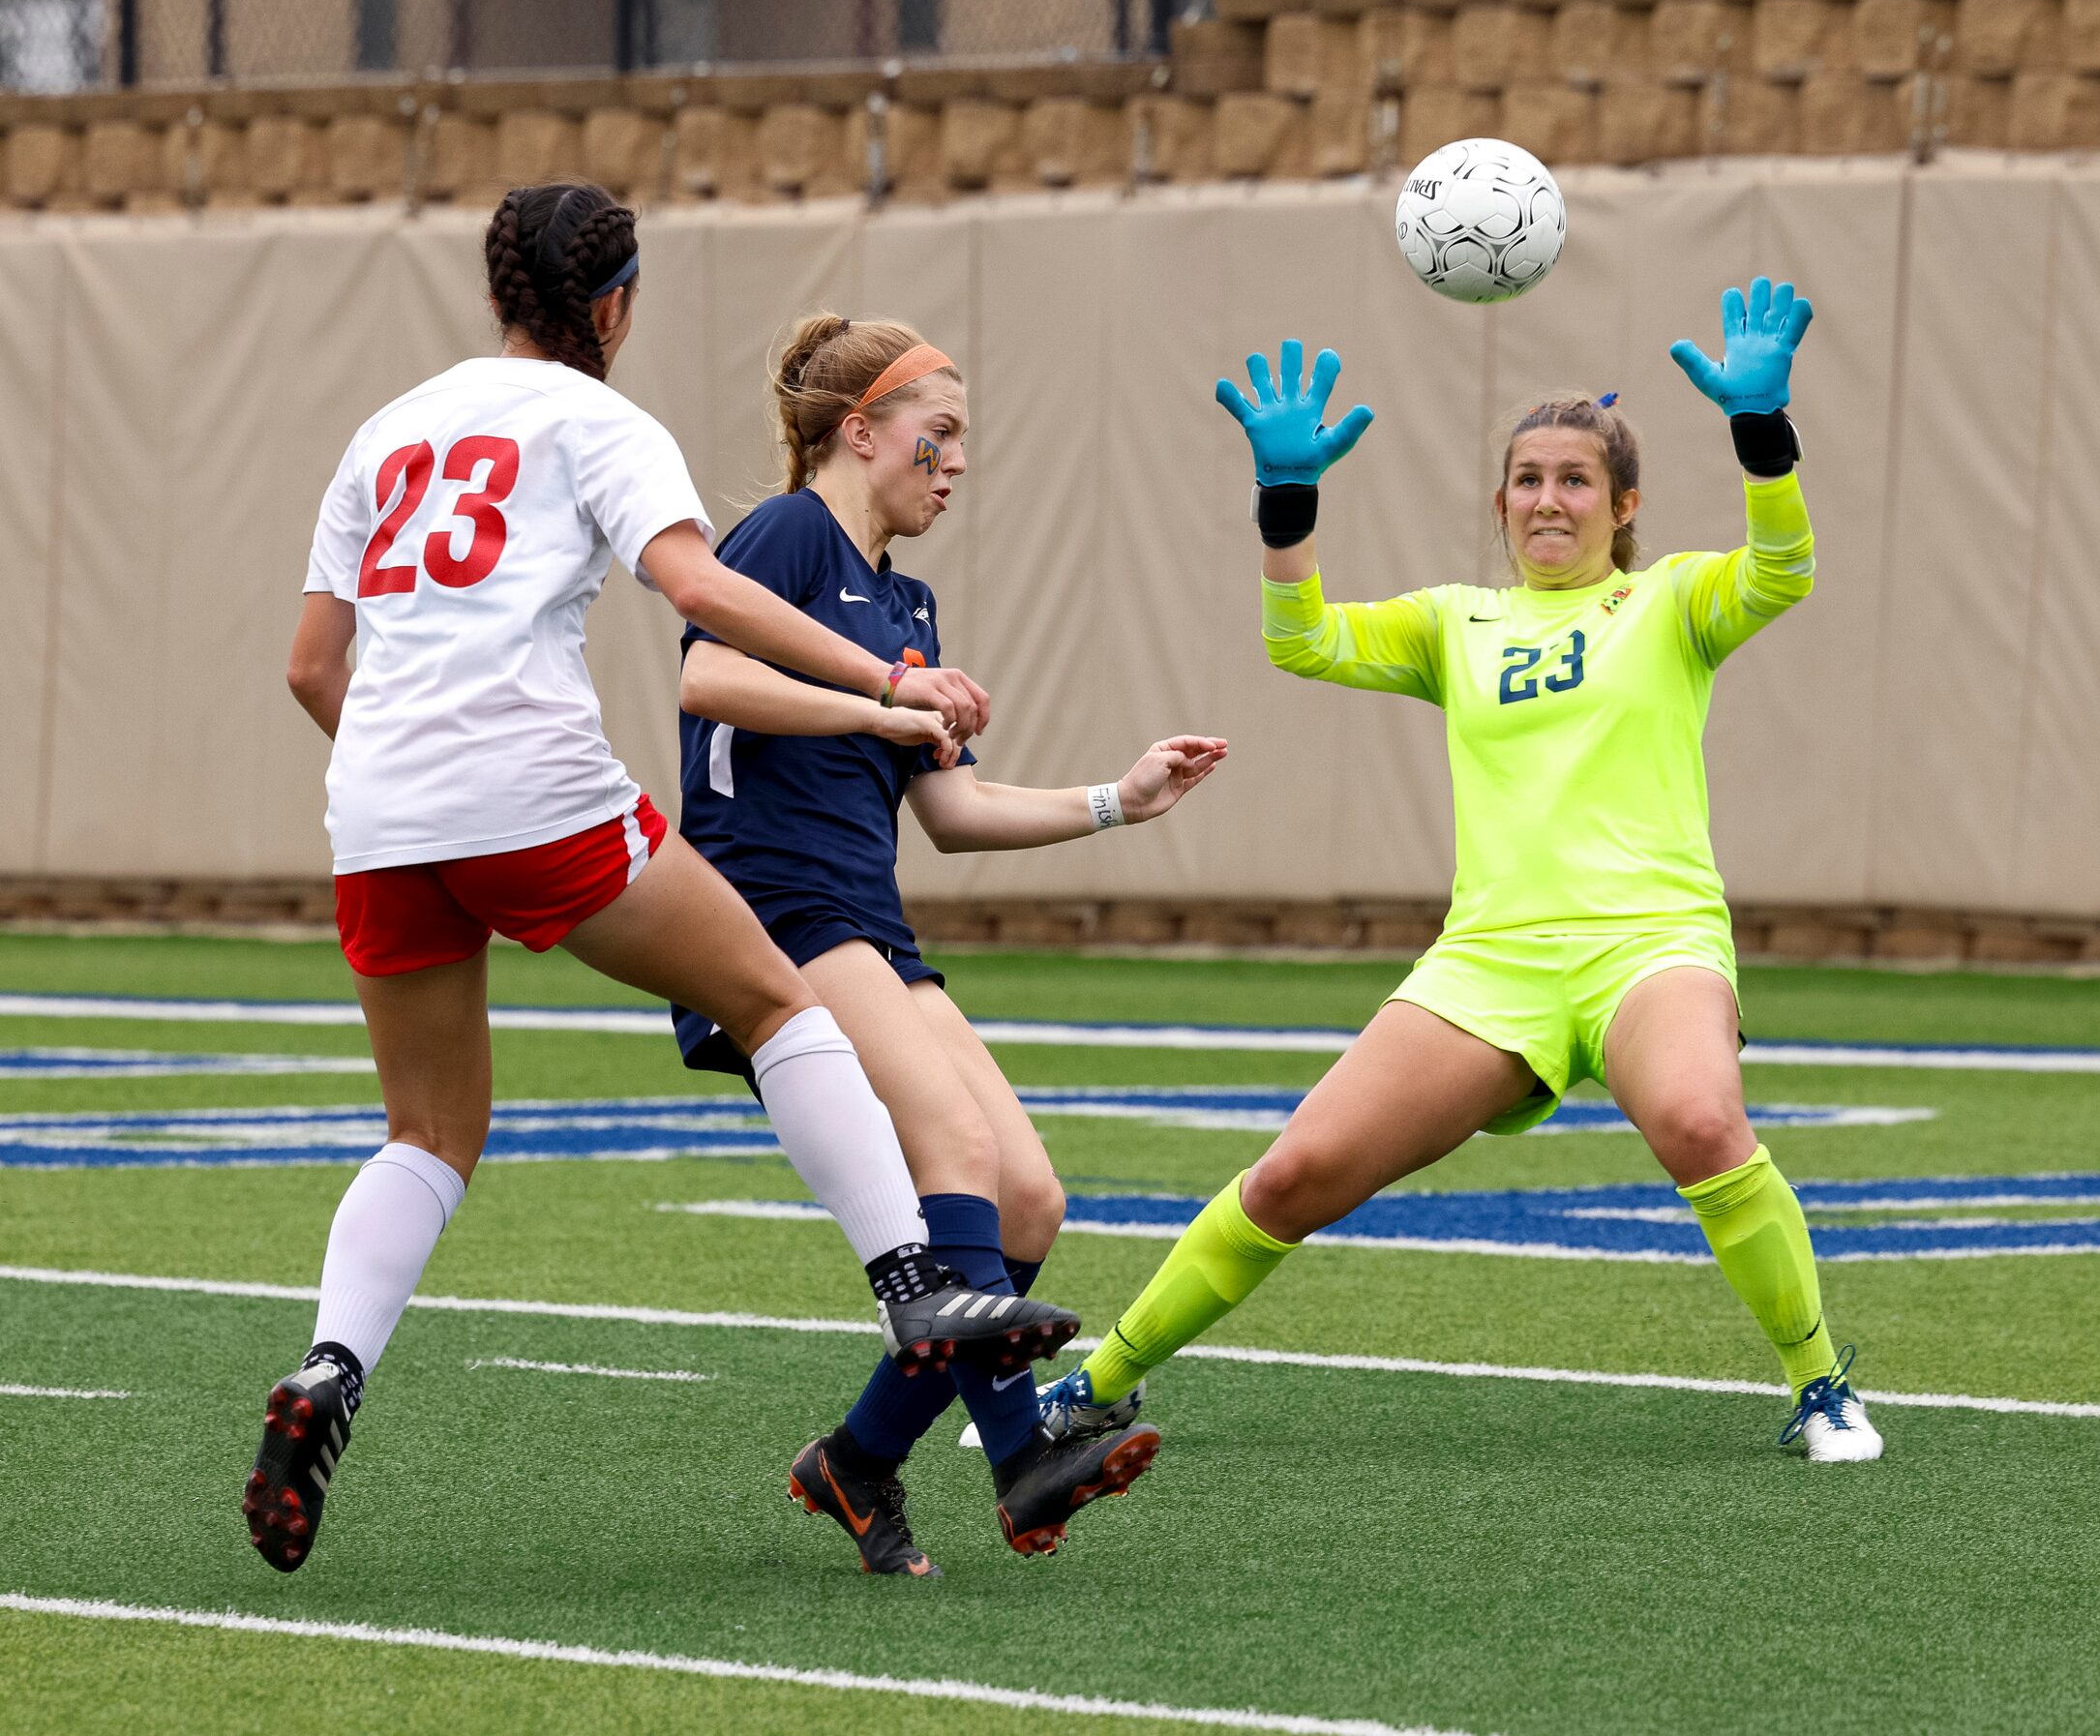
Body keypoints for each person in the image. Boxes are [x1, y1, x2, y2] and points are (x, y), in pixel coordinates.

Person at [246, 183, 1073, 1575]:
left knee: (429, 1132)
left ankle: (329, 1367)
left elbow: (310, 669)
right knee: (772, 994)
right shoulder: (601, 419)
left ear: (502, 291)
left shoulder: (386, 429)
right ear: (615, 302)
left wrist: (430, 807)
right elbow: (696, 595)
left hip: (379, 805)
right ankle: (917, 1288)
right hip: (528, 782)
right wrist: (887, 675)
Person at [1036, 279, 1884, 1463]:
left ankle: (1820, 1386)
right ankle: (1098, 1382)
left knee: (1700, 1119)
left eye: (1575, 479)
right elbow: (1302, 638)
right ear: (1501, 502)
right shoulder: (1455, 622)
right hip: (1489, 963)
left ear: (1622, 503)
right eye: (1528, 480)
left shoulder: (1672, 597)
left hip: (1650, 941)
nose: (1549, 498)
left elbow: (1782, 565)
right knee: (1297, 1174)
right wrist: (1286, 496)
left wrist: (1760, 427)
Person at [672, 314, 1228, 1573]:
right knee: (958, 1150)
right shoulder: (788, 532)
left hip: (869, 920)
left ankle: (858, 1462)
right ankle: (1026, 1452)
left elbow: (952, 809)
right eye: (942, 429)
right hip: (769, 915)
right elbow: (706, 678)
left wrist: (1115, 801)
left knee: (1027, 1195)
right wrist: (884, 688)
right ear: (858, 430)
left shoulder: (908, 597)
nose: (959, 457)